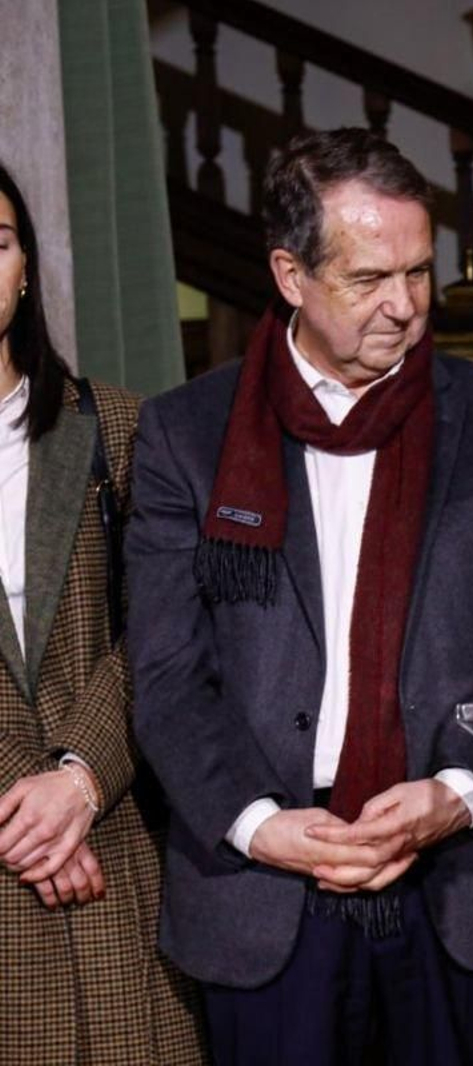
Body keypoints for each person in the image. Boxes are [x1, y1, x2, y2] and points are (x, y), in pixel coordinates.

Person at [126, 128, 473, 1065]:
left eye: (418, 273)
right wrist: (258, 824)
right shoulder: (186, 435)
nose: (404, 306)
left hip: (459, 884)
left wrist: (458, 791)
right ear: (290, 275)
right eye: (369, 278)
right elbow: (167, 674)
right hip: (262, 893)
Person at [0, 163, 205, 1062]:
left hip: (119, 849)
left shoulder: (117, 426)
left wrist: (80, 779)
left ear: (25, 269)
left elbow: (170, 628)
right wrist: (29, 816)